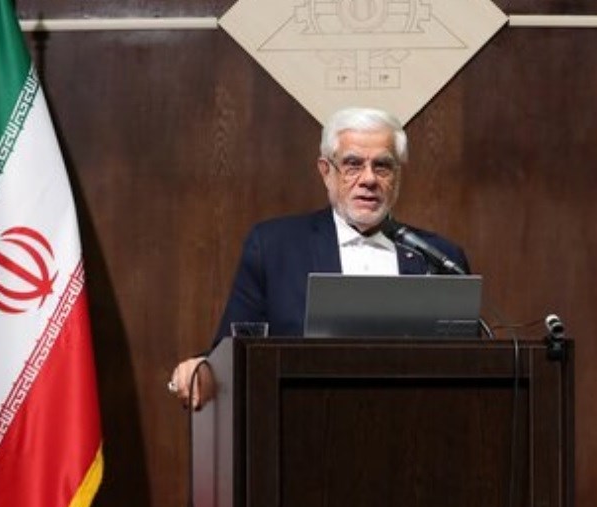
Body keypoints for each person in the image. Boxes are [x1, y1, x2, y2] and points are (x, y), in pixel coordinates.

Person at [168, 107, 470, 408]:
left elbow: (467, 364)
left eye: (382, 166)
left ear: (398, 176)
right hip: (302, 421)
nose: (369, 179)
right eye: (353, 164)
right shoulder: (275, 248)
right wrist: (202, 371)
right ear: (326, 172)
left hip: (415, 421)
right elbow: (231, 352)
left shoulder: (440, 257)